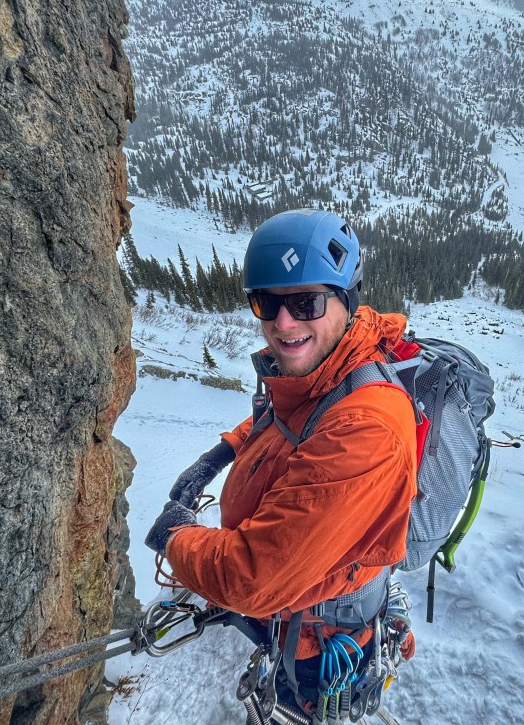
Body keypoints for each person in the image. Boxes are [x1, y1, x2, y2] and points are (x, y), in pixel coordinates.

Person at [144, 208, 417, 711]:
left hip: (315, 636)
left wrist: (175, 536)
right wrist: (221, 452)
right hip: (289, 603)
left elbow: (251, 579)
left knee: (293, 708)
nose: (284, 323)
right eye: (266, 303)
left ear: (347, 301)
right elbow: (286, 418)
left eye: (306, 302)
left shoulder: (367, 428)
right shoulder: (327, 368)